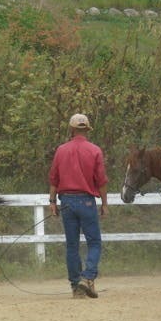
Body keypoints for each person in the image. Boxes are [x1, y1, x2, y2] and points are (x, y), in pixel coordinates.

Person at [48, 113, 109, 299]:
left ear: (72, 130)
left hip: (66, 201)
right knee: (94, 242)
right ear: (87, 130)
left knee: (72, 245)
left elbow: (54, 178)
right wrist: (105, 203)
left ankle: (76, 287)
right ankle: (88, 277)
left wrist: (52, 202)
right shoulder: (95, 150)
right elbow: (101, 181)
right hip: (86, 201)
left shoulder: (61, 150)